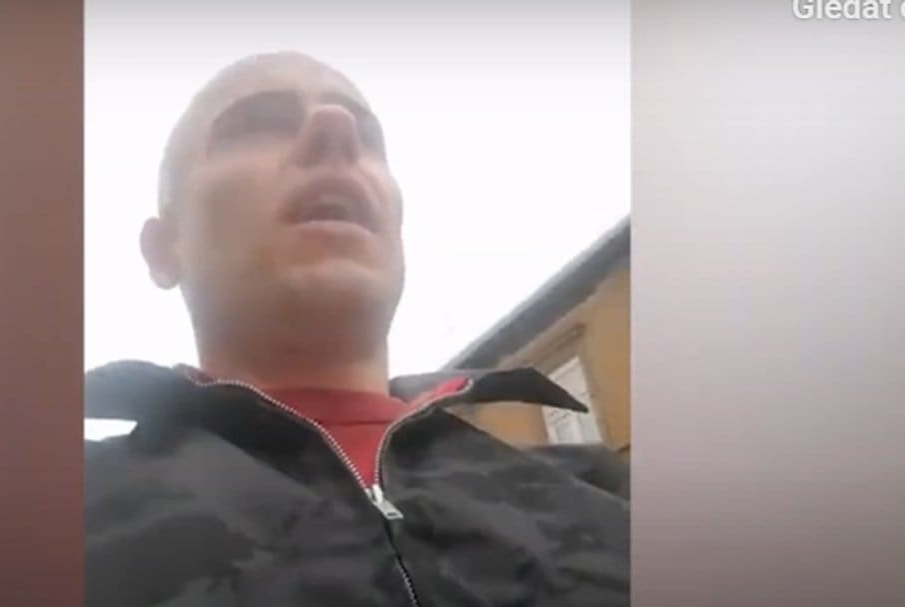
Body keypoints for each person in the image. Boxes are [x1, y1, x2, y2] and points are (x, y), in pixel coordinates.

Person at [84, 51, 630, 606]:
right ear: (164, 249)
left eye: (368, 137)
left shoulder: (617, 503)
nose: (336, 129)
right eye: (258, 123)